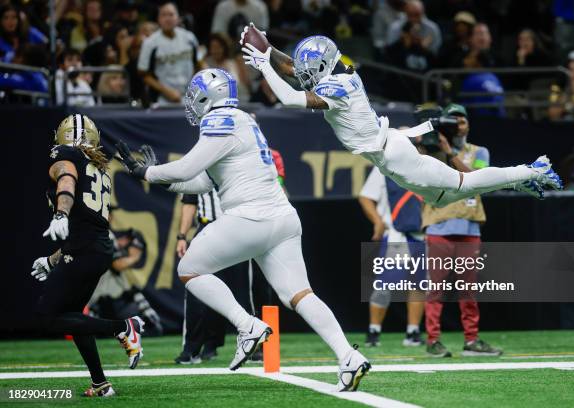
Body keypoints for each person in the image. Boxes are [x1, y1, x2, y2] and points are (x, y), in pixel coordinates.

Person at [115, 68, 370, 391]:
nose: (192, 103)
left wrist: (147, 172)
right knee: (299, 294)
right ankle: (347, 356)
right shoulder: (242, 119)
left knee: (189, 270)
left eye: (196, 96)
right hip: (282, 218)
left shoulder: (219, 119)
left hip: (252, 216)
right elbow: (202, 180)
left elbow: (187, 167)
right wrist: (158, 178)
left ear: (211, 96)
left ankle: (247, 325)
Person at [240, 27, 563, 208]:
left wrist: (262, 64)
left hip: (392, 154)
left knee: (462, 184)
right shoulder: (341, 73)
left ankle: (530, 169)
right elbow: (293, 70)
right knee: (444, 198)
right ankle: (523, 178)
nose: (305, 73)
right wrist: (267, 49)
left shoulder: (337, 87)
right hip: (390, 150)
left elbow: (290, 98)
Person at [30, 114, 144, 397]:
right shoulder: (99, 166)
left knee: (48, 317)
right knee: (72, 316)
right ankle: (100, 384)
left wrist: (60, 212)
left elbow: (66, 179)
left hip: (85, 249)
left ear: (63, 136)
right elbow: (86, 227)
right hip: (95, 248)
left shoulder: (65, 155)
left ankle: (123, 327)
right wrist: (51, 259)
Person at [420, 104, 502, 358]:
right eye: (452, 120)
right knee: (436, 288)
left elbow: (477, 180)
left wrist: (450, 152)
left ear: (468, 125)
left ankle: (472, 340)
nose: (458, 125)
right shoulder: (430, 151)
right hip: (439, 225)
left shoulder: (480, 152)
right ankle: (433, 340)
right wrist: (428, 143)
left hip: (469, 227)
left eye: (461, 120)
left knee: (469, 290)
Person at [174, 191, 252, 364]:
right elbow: (189, 200)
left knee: (243, 291)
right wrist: (182, 235)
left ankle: (252, 345)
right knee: (195, 286)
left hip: (238, 228)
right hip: (208, 227)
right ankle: (192, 347)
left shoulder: (240, 163)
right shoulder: (197, 166)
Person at [359, 166, 425, 348]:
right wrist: (377, 221)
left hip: (421, 234)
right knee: (385, 283)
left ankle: (413, 332)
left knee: (419, 284)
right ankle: (374, 330)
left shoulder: (426, 163)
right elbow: (365, 197)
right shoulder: (384, 167)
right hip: (397, 234)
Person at [137, 2, 200, 105]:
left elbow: (199, 63)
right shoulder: (150, 43)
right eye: (164, 15)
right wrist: (166, 91)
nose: (168, 18)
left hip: (190, 96)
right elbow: (143, 74)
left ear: (178, 18)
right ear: (158, 19)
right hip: (162, 99)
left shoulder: (189, 38)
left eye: (171, 14)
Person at [203, 33, 251, 101]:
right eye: (213, 47)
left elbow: (242, 85)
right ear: (209, 49)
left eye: (219, 47)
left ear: (224, 48)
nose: (216, 51)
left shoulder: (233, 63)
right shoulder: (206, 64)